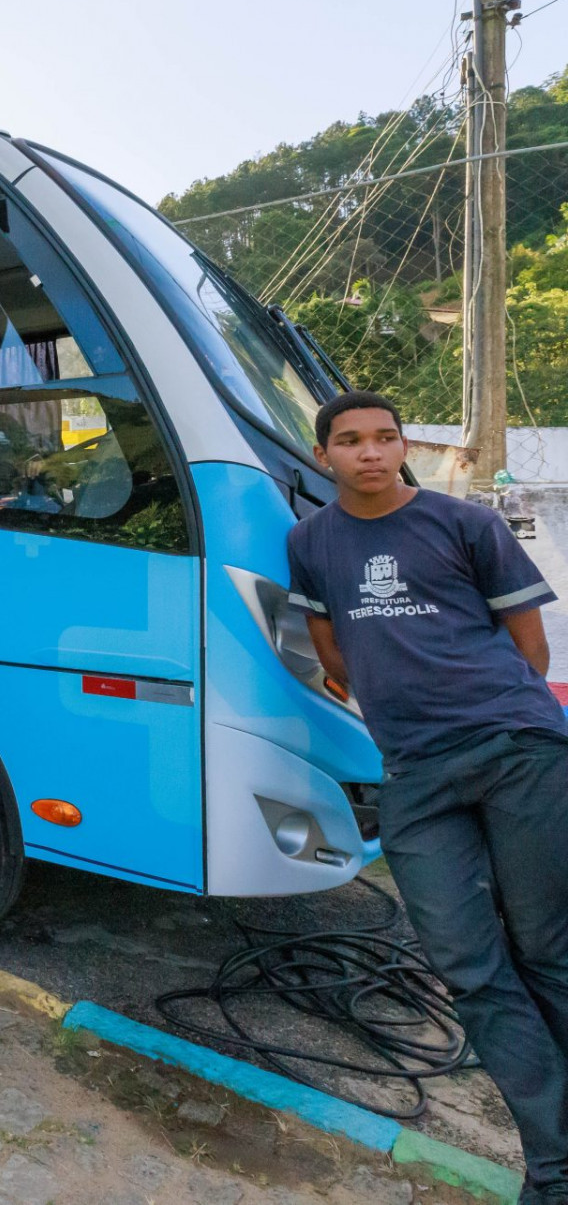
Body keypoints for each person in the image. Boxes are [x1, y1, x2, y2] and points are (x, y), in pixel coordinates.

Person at [290, 390, 568, 1203]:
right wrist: (392, 705)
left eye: (385, 438)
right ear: (325, 457)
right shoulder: (310, 543)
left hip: (516, 749)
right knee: (470, 968)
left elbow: (529, 640)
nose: (369, 453)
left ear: (403, 445)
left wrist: (502, 711)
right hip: (414, 771)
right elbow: (330, 649)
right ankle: (559, 1160)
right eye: (350, 441)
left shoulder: (465, 524)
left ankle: (551, 1174)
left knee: (547, 949)